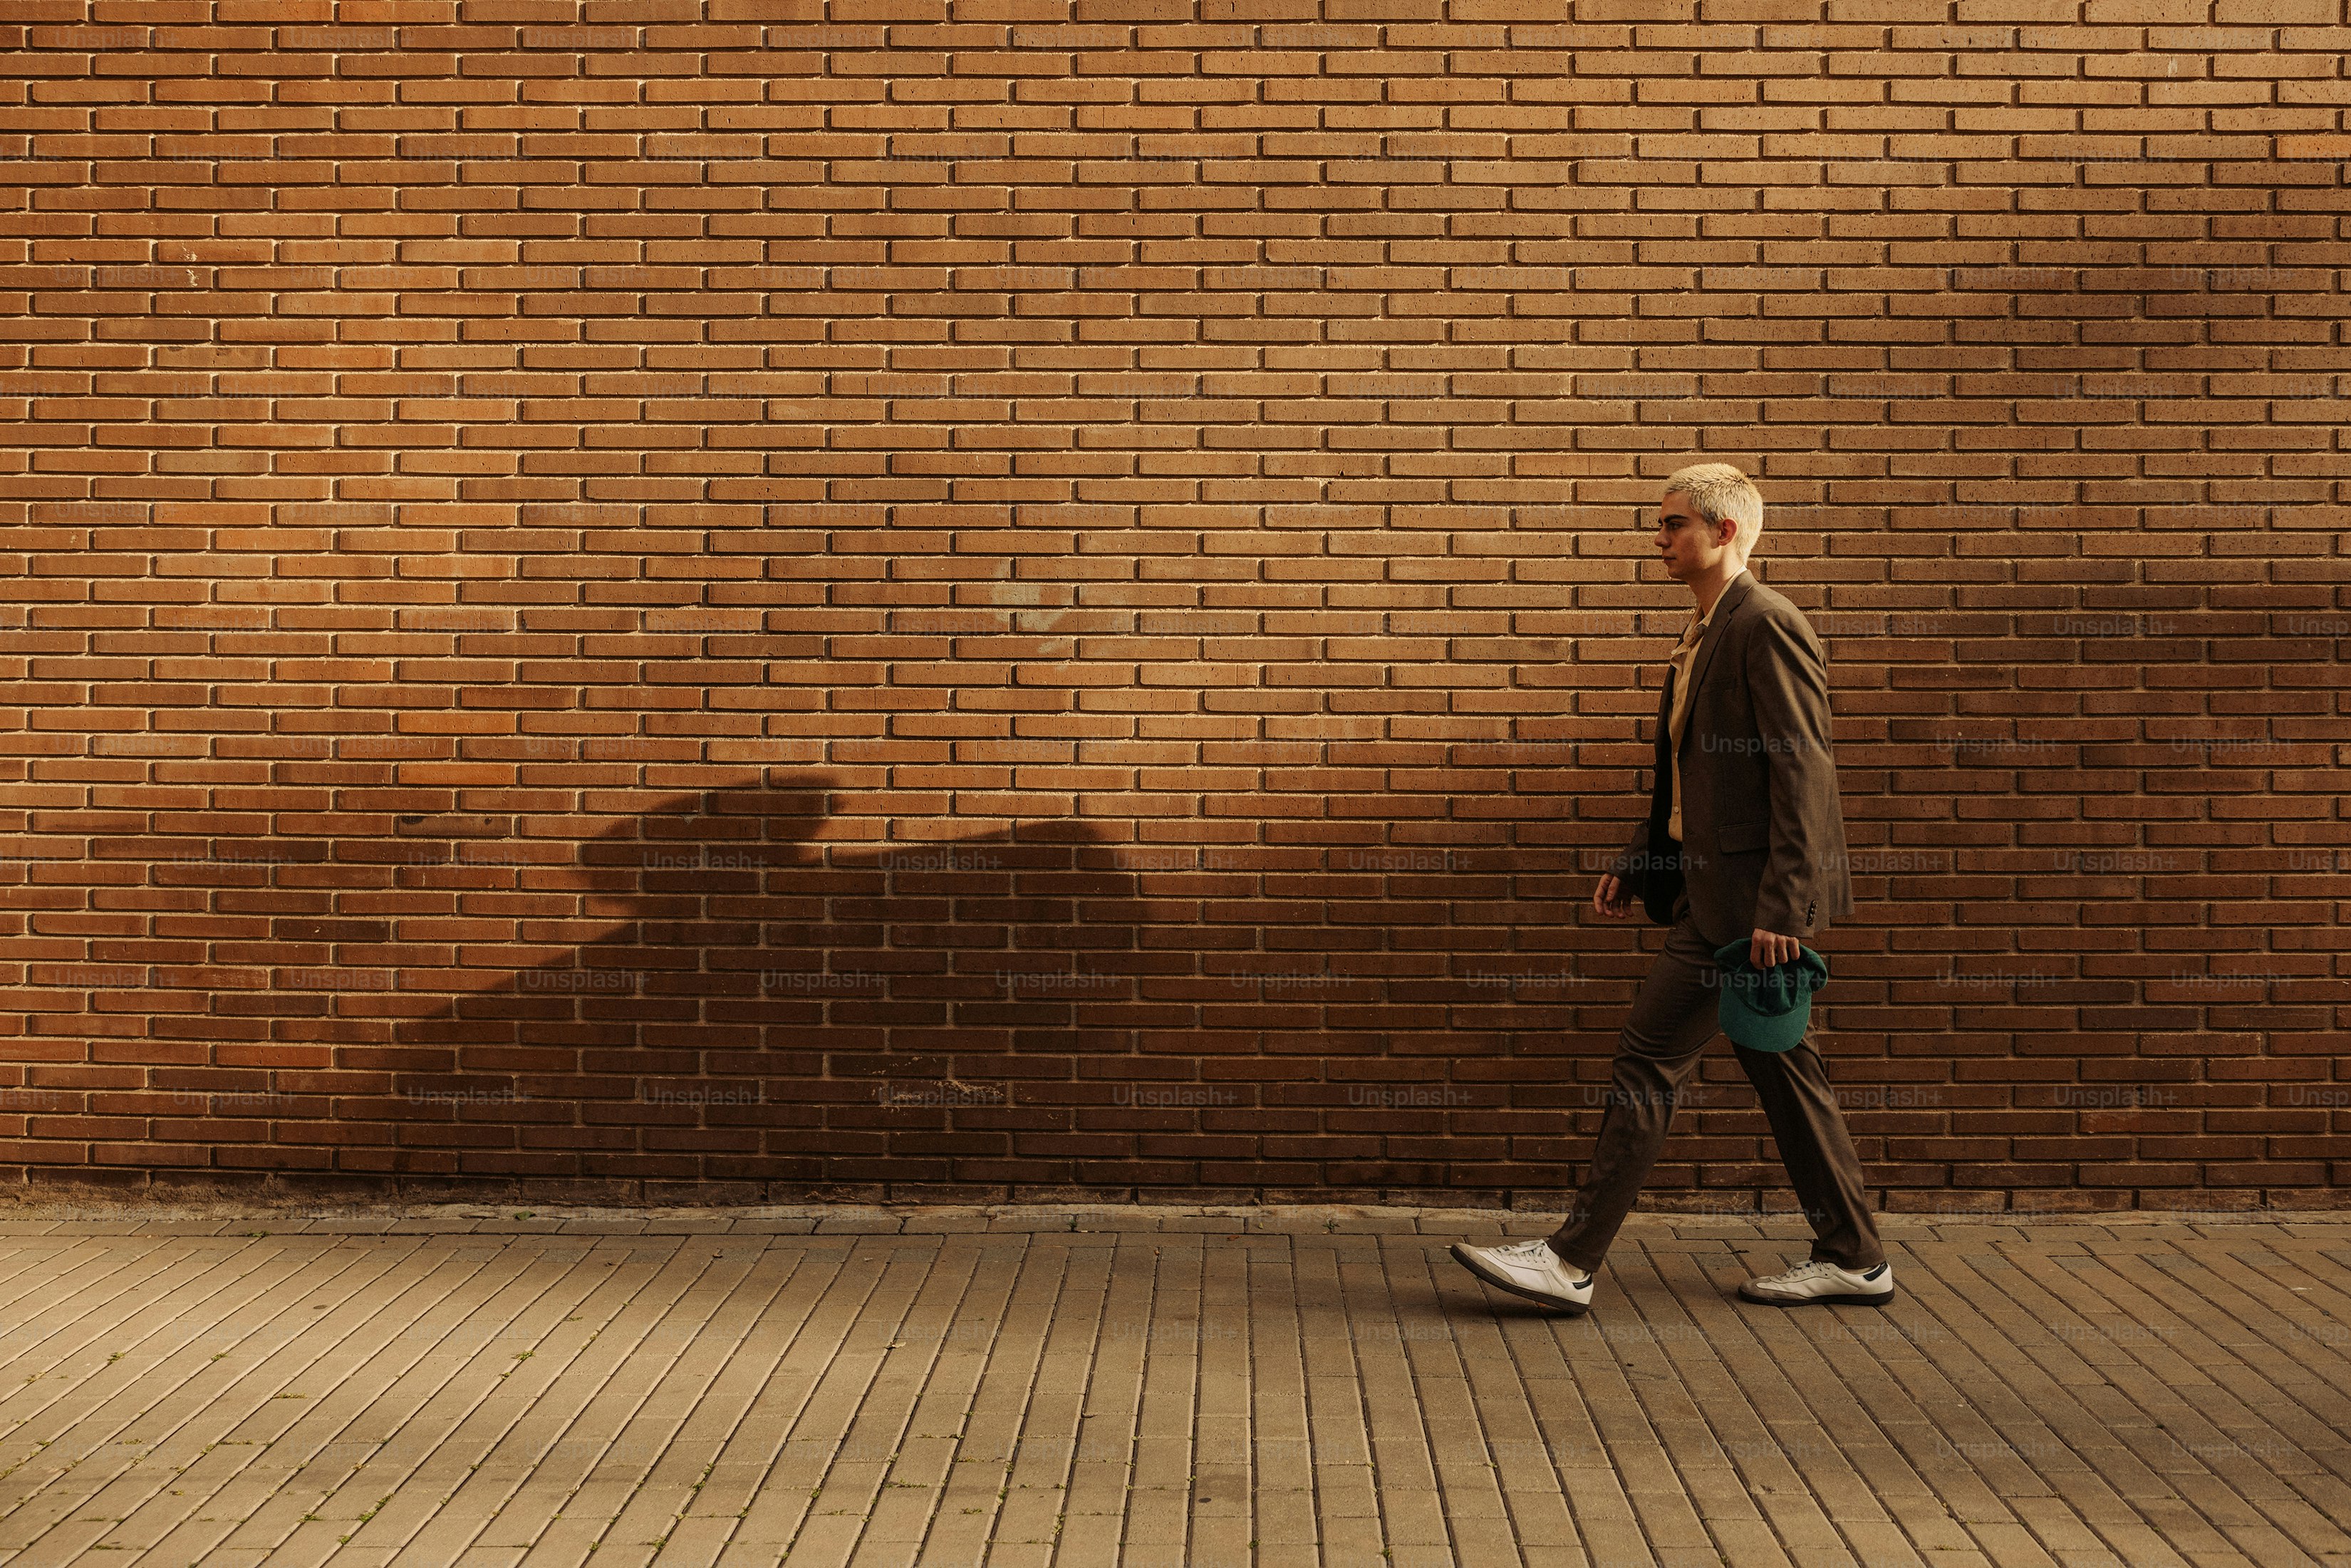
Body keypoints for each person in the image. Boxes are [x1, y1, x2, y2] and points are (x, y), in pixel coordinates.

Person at [1451, 462, 1892, 1315]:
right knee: (1784, 1073)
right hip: (1708, 890)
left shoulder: (1766, 623)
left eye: (1671, 524)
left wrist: (1782, 915)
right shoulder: (1703, 632)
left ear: (1724, 531)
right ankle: (1854, 1252)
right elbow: (1698, 787)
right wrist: (1642, 858)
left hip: (1745, 909)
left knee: (1647, 1059)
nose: (1657, 540)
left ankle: (1571, 1260)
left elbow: (1804, 774)